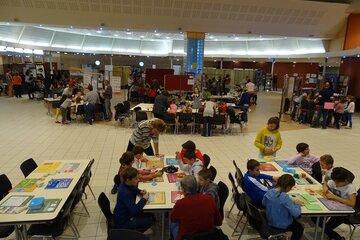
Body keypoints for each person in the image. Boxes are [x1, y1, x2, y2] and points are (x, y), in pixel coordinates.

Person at [170, 175, 222, 240]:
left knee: (172, 224)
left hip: (187, 237)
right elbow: (218, 222)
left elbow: (173, 219)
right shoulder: (209, 199)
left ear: (184, 190)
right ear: (197, 186)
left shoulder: (181, 203)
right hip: (208, 236)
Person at [262, 174, 303, 240]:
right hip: (281, 224)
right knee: (299, 228)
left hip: (269, 221)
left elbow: (263, 203)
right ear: (288, 187)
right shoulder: (284, 197)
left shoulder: (269, 192)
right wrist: (297, 204)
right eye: (291, 188)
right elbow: (296, 214)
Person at [113, 167, 154, 233]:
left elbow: (132, 188)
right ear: (128, 180)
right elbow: (135, 210)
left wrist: (140, 191)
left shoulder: (125, 184)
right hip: (124, 221)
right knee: (149, 219)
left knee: (151, 215)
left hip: (125, 213)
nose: (138, 180)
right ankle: (136, 233)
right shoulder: (124, 193)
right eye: (135, 179)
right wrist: (144, 199)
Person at [322, 167, 357, 240]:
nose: (336, 184)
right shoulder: (333, 182)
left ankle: (338, 238)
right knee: (316, 219)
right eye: (335, 181)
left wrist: (335, 197)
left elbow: (352, 203)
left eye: (338, 183)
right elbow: (325, 183)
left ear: (346, 181)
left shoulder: (350, 188)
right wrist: (325, 187)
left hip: (343, 213)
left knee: (326, 227)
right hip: (333, 207)